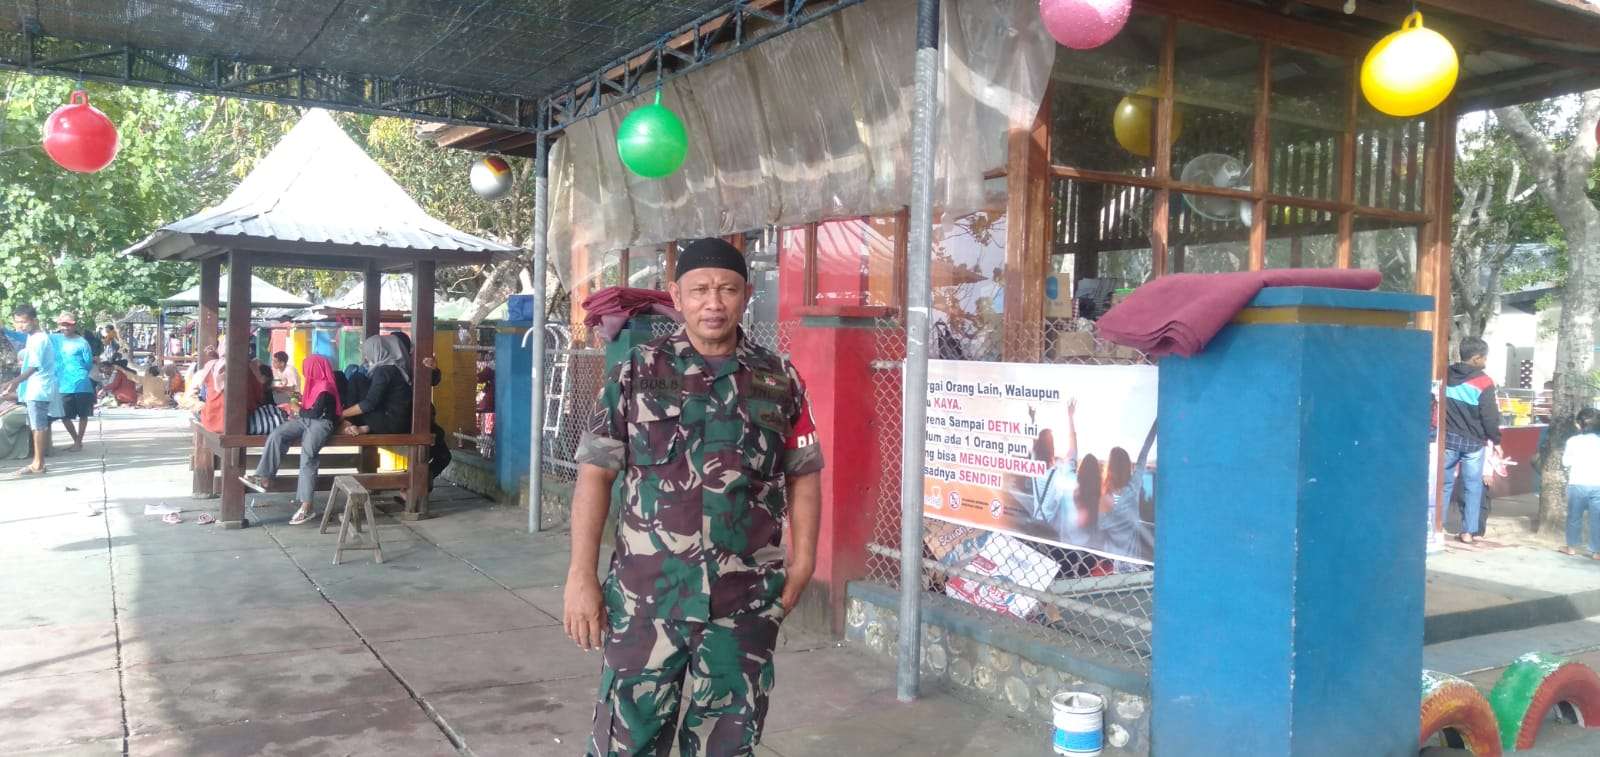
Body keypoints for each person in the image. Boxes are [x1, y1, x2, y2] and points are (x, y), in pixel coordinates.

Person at [565, 237, 824, 755]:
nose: (714, 302)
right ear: (676, 296)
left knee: (725, 746)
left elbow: (804, 474)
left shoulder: (779, 379)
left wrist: (803, 565)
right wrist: (580, 575)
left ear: (746, 294)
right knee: (626, 741)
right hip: (645, 600)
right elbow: (595, 475)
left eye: (727, 289)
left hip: (742, 603)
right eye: (700, 290)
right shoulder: (636, 371)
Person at [246, 355, 344, 526]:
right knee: (277, 434)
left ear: (314, 368)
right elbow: (310, 409)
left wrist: (296, 408)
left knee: (308, 457)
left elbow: (316, 413)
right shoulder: (313, 385)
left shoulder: (325, 387)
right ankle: (264, 477)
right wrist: (298, 402)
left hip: (320, 424)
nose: (305, 371)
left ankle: (307, 506)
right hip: (306, 420)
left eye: (307, 367)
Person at [1441, 337, 1503, 545]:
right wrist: (1496, 441)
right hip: (1474, 444)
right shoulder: (1484, 382)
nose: (1485, 361)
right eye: (1484, 357)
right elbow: (1489, 416)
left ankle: (1437, 528)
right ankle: (1468, 532)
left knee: (1444, 485)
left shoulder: (1445, 374)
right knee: (1473, 487)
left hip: (1448, 440)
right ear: (1476, 358)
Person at [3, 304, 58, 475]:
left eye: (24, 322)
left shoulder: (39, 339)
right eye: (17, 322)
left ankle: (38, 464)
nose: (20, 325)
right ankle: (37, 462)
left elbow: (34, 366)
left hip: (39, 388)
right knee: (35, 425)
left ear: (34, 321)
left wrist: (15, 382)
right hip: (34, 388)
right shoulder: (31, 337)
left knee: (39, 426)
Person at [391, 330, 453, 481]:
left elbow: (433, 380)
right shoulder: (389, 365)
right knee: (437, 452)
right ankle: (418, 482)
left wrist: (433, 369)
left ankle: (420, 481)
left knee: (438, 452)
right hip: (407, 419)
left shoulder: (413, 361)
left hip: (417, 417)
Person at [340, 335, 412, 435]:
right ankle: (364, 427)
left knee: (356, 378)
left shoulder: (384, 371)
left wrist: (342, 414)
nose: (366, 357)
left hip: (390, 424)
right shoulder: (395, 367)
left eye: (368, 353)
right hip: (400, 423)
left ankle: (349, 422)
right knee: (359, 380)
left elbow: (369, 403)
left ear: (378, 351)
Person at [50, 312, 95, 451]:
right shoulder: (54, 339)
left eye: (68, 325)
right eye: (63, 325)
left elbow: (88, 364)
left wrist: (78, 372)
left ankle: (78, 441)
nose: (66, 327)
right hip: (63, 385)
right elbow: (33, 337)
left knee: (83, 415)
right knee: (64, 416)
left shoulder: (82, 343)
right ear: (59, 325)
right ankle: (76, 441)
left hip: (81, 383)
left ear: (74, 325)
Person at [197, 343, 265, 433]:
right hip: (245, 421)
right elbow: (259, 395)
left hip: (213, 421)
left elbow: (205, 393)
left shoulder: (210, 366)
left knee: (204, 407)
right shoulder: (251, 367)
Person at [1560, 408, 1600, 559]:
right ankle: (1597, 551)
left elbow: (1566, 462)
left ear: (1579, 424)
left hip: (1577, 483)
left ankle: (1571, 547)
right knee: (1597, 518)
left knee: (1574, 516)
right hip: (1598, 485)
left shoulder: (1573, 441)